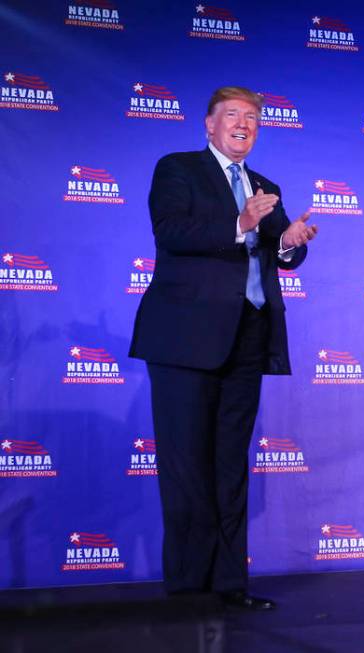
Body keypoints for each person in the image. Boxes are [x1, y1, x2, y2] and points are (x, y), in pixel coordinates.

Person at [129, 86, 317, 610]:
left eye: (253, 118)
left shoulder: (265, 185)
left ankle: (230, 583)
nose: (244, 123)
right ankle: (190, 586)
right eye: (232, 115)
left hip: (247, 339)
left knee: (231, 463)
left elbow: (280, 257)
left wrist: (288, 241)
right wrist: (240, 224)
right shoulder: (179, 169)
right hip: (185, 339)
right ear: (209, 125)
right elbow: (171, 232)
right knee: (187, 464)